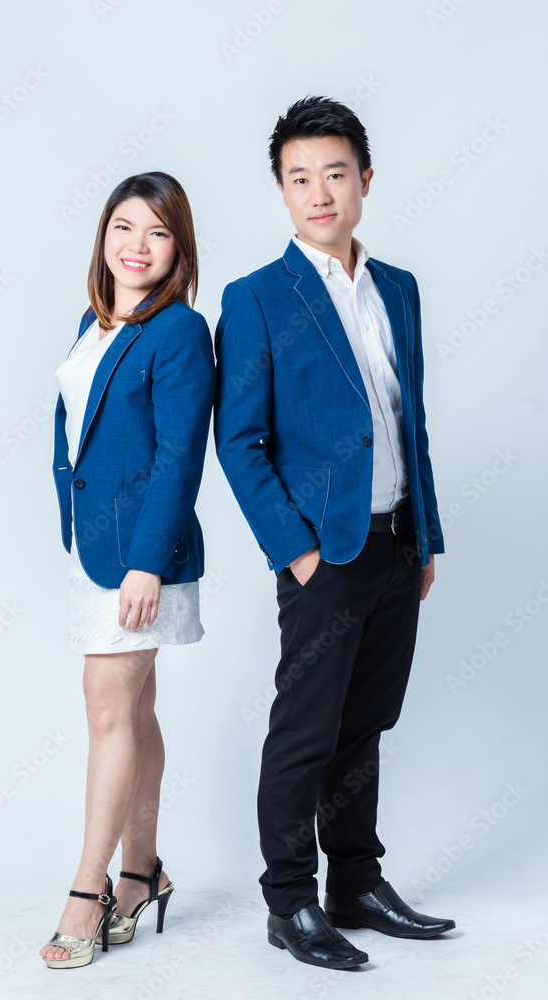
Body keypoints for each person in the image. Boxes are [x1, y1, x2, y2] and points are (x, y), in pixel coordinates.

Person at [214, 96, 455, 970]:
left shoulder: (398, 288)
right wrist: (297, 551)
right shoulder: (255, 300)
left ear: (364, 181)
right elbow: (237, 442)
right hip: (323, 556)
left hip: (396, 546)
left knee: (366, 724)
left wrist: (424, 537)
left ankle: (356, 881)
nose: (319, 191)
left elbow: (407, 418)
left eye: (335, 173)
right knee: (306, 731)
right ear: (280, 190)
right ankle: (291, 903)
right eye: (299, 177)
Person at [40, 171, 215, 969]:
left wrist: (147, 562)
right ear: (102, 236)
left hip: (143, 556)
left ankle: (89, 890)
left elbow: (182, 453)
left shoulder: (178, 331)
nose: (135, 246)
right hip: (96, 549)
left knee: (106, 709)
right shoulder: (95, 320)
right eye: (122, 227)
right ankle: (142, 873)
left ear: (177, 248)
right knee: (132, 712)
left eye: (156, 232)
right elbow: (74, 427)